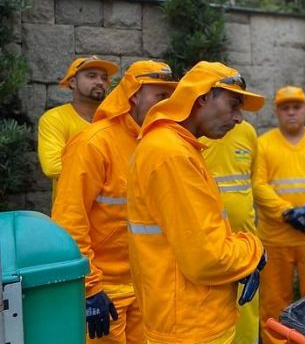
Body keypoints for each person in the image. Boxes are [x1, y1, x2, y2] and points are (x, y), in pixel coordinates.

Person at [127, 62, 267, 344]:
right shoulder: (171, 153)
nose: (239, 118)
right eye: (233, 105)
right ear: (203, 97)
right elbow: (207, 259)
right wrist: (254, 249)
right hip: (191, 326)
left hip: (187, 317)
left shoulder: (174, 146)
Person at [52, 60, 178, 343]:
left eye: (170, 97)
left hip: (147, 287)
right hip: (104, 291)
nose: (167, 104)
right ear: (134, 95)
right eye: (160, 96)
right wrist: (89, 288)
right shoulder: (93, 144)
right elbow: (69, 221)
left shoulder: (157, 143)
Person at [253, 86, 305, 344]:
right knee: (274, 304)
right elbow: (258, 186)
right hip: (276, 239)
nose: (292, 113)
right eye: (285, 108)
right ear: (277, 112)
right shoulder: (263, 145)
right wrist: (285, 212)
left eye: (296, 107)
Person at [200, 118, 258, 344]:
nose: (237, 114)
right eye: (232, 102)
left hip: (246, 244)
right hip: (209, 247)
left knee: (247, 310)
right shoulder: (193, 133)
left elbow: (254, 180)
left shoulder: (248, 132)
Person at [38, 55, 119, 202]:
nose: (100, 82)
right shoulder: (54, 119)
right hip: (70, 213)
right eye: (91, 76)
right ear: (73, 82)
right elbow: (52, 166)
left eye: (104, 77)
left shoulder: (117, 119)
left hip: (112, 217)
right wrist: (108, 170)